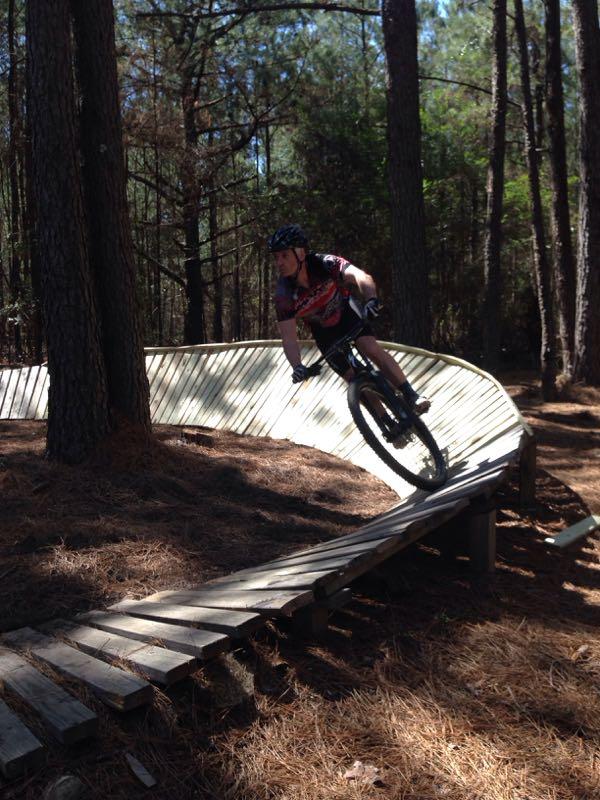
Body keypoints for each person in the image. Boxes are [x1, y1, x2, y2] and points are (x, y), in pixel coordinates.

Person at [268, 223, 430, 414]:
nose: (279, 262)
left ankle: (411, 394)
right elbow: (289, 338)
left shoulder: (324, 263)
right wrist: (297, 366)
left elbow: (360, 276)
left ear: (301, 253)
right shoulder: (284, 296)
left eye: (284, 255)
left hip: (346, 312)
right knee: (352, 378)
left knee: (369, 347)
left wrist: (371, 299)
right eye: (276, 257)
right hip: (323, 331)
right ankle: (386, 421)